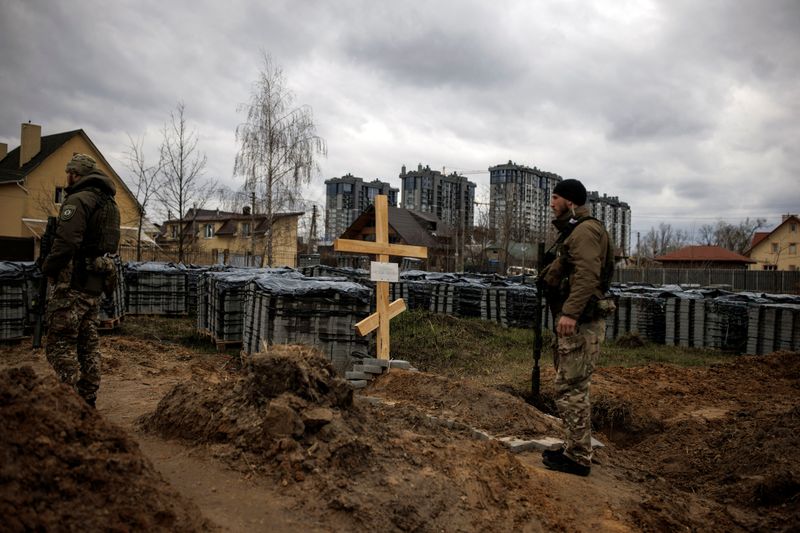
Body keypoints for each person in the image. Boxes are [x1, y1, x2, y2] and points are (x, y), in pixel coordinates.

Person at [538, 178, 614, 477]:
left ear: (570, 201)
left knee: (570, 389)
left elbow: (587, 275)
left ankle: (578, 458)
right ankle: (574, 447)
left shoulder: (584, 231)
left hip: (580, 323)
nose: (551, 203)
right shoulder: (578, 229)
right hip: (579, 322)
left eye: (555, 197)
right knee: (572, 387)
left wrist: (569, 313)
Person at [41, 153, 120, 408]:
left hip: (72, 283)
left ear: (75, 174)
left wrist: (48, 267)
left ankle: (73, 398)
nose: (67, 177)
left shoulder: (78, 200)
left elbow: (66, 242)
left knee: (59, 345)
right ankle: (88, 397)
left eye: (69, 172)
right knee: (88, 344)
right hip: (93, 284)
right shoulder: (107, 203)